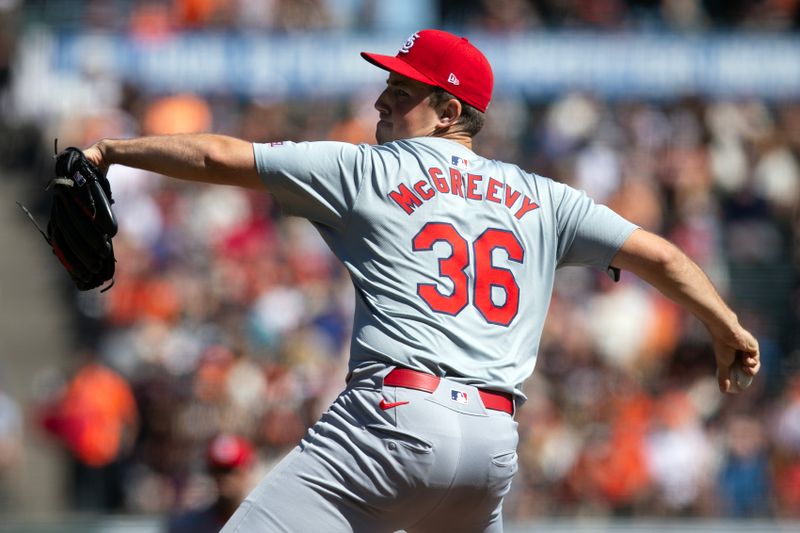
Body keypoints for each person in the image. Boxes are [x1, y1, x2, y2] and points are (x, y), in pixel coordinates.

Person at [83, 29, 760, 532]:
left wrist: (113, 151)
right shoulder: (545, 196)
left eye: (400, 91)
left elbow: (213, 152)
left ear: (445, 109)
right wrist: (725, 325)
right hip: (491, 447)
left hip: (392, 421)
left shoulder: (368, 170)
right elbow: (664, 258)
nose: (381, 100)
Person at [166, 433, 258, 533]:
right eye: (218, 470)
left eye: (230, 470)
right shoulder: (188, 525)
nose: (224, 478)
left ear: (246, 471)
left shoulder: (262, 523)